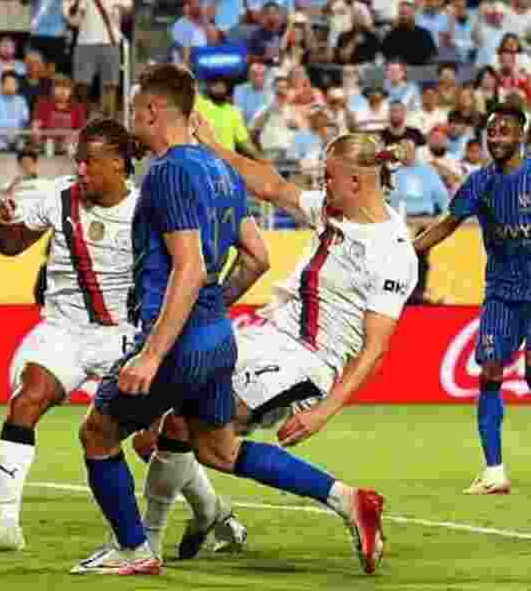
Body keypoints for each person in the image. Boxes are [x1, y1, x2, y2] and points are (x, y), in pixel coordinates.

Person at [72, 64, 385, 576]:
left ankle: (134, 549)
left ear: (152, 111)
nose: (131, 119)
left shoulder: (168, 173)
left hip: (180, 341)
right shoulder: (220, 172)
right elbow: (256, 257)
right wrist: (213, 310)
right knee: (217, 448)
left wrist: (153, 353)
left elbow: (190, 266)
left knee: (98, 433)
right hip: (218, 337)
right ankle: (345, 498)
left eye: (134, 109)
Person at [139, 121, 417, 561]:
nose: (322, 185)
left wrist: (323, 412)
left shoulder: (393, 252)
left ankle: (150, 542)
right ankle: (210, 517)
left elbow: (375, 349)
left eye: (329, 176)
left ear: (357, 181)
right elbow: (272, 186)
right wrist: (216, 149)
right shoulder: (332, 209)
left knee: (194, 433)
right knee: (171, 429)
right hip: (265, 338)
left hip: (305, 361)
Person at [0, 120, 152, 553]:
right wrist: (2, 224)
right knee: (25, 400)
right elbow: (11, 246)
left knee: (155, 437)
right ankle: (7, 524)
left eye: (91, 161)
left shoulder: (145, 210)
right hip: (64, 331)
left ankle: (212, 509)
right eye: (78, 160)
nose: (81, 169)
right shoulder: (57, 196)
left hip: (123, 335)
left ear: (118, 163)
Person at [415, 105, 531, 495]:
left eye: (504, 131)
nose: (496, 138)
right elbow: (448, 224)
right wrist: (409, 251)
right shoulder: (480, 182)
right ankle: (494, 471)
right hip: (501, 294)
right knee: (490, 373)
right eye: (491, 132)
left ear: (521, 135)